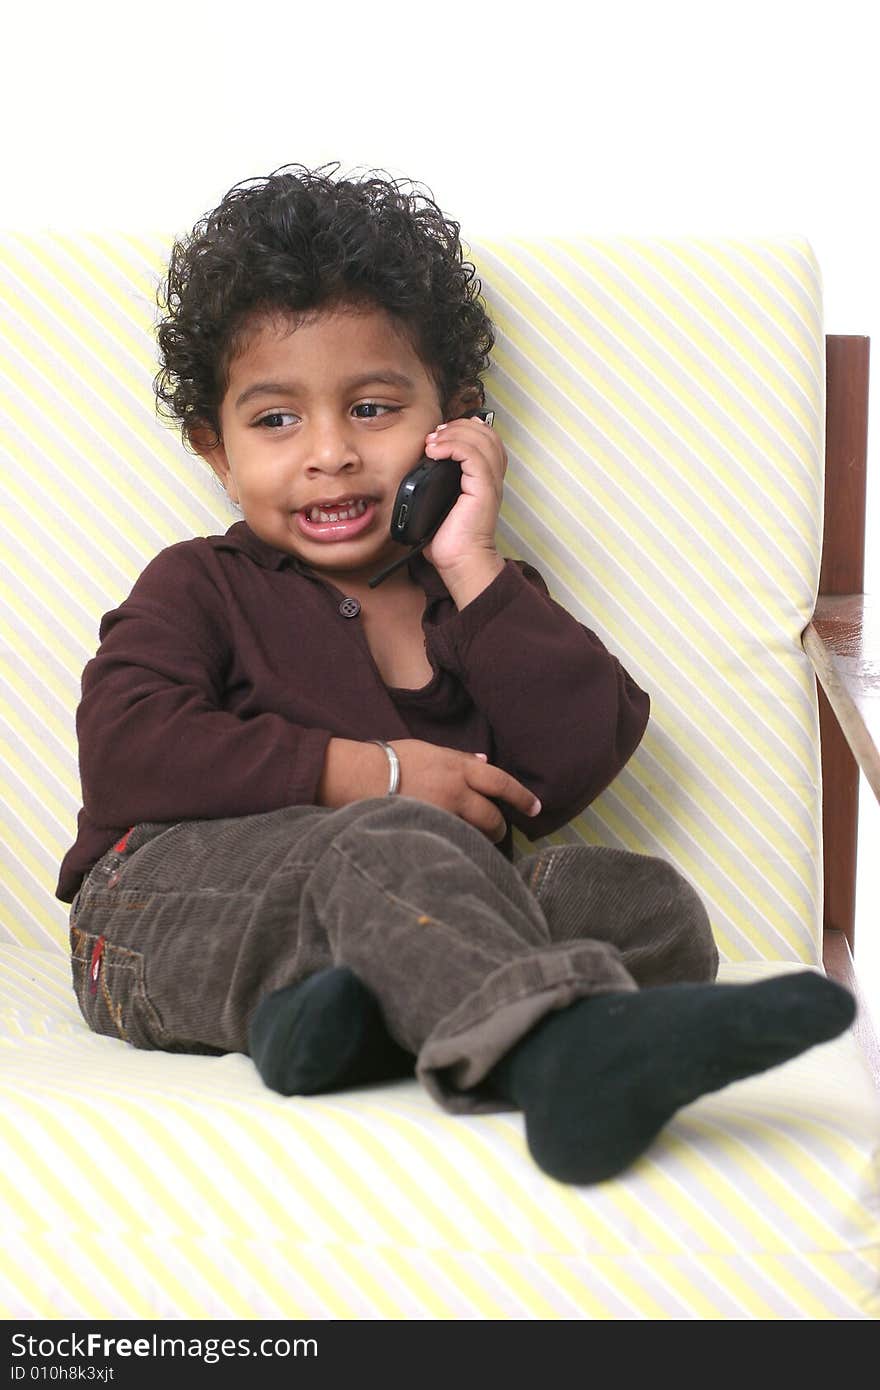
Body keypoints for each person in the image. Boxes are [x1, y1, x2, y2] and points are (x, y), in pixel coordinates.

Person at [56, 163, 855, 1186]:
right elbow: (125, 750)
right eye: (275, 421)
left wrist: (472, 563)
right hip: (157, 922)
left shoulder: (479, 598)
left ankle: (344, 1026)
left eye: (374, 408)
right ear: (215, 450)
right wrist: (378, 774)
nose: (331, 453)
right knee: (391, 843)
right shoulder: (199, 583)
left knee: (639, 901)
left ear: (454, 423)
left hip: (389, 915)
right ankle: (562, 1063)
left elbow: (569, 766)